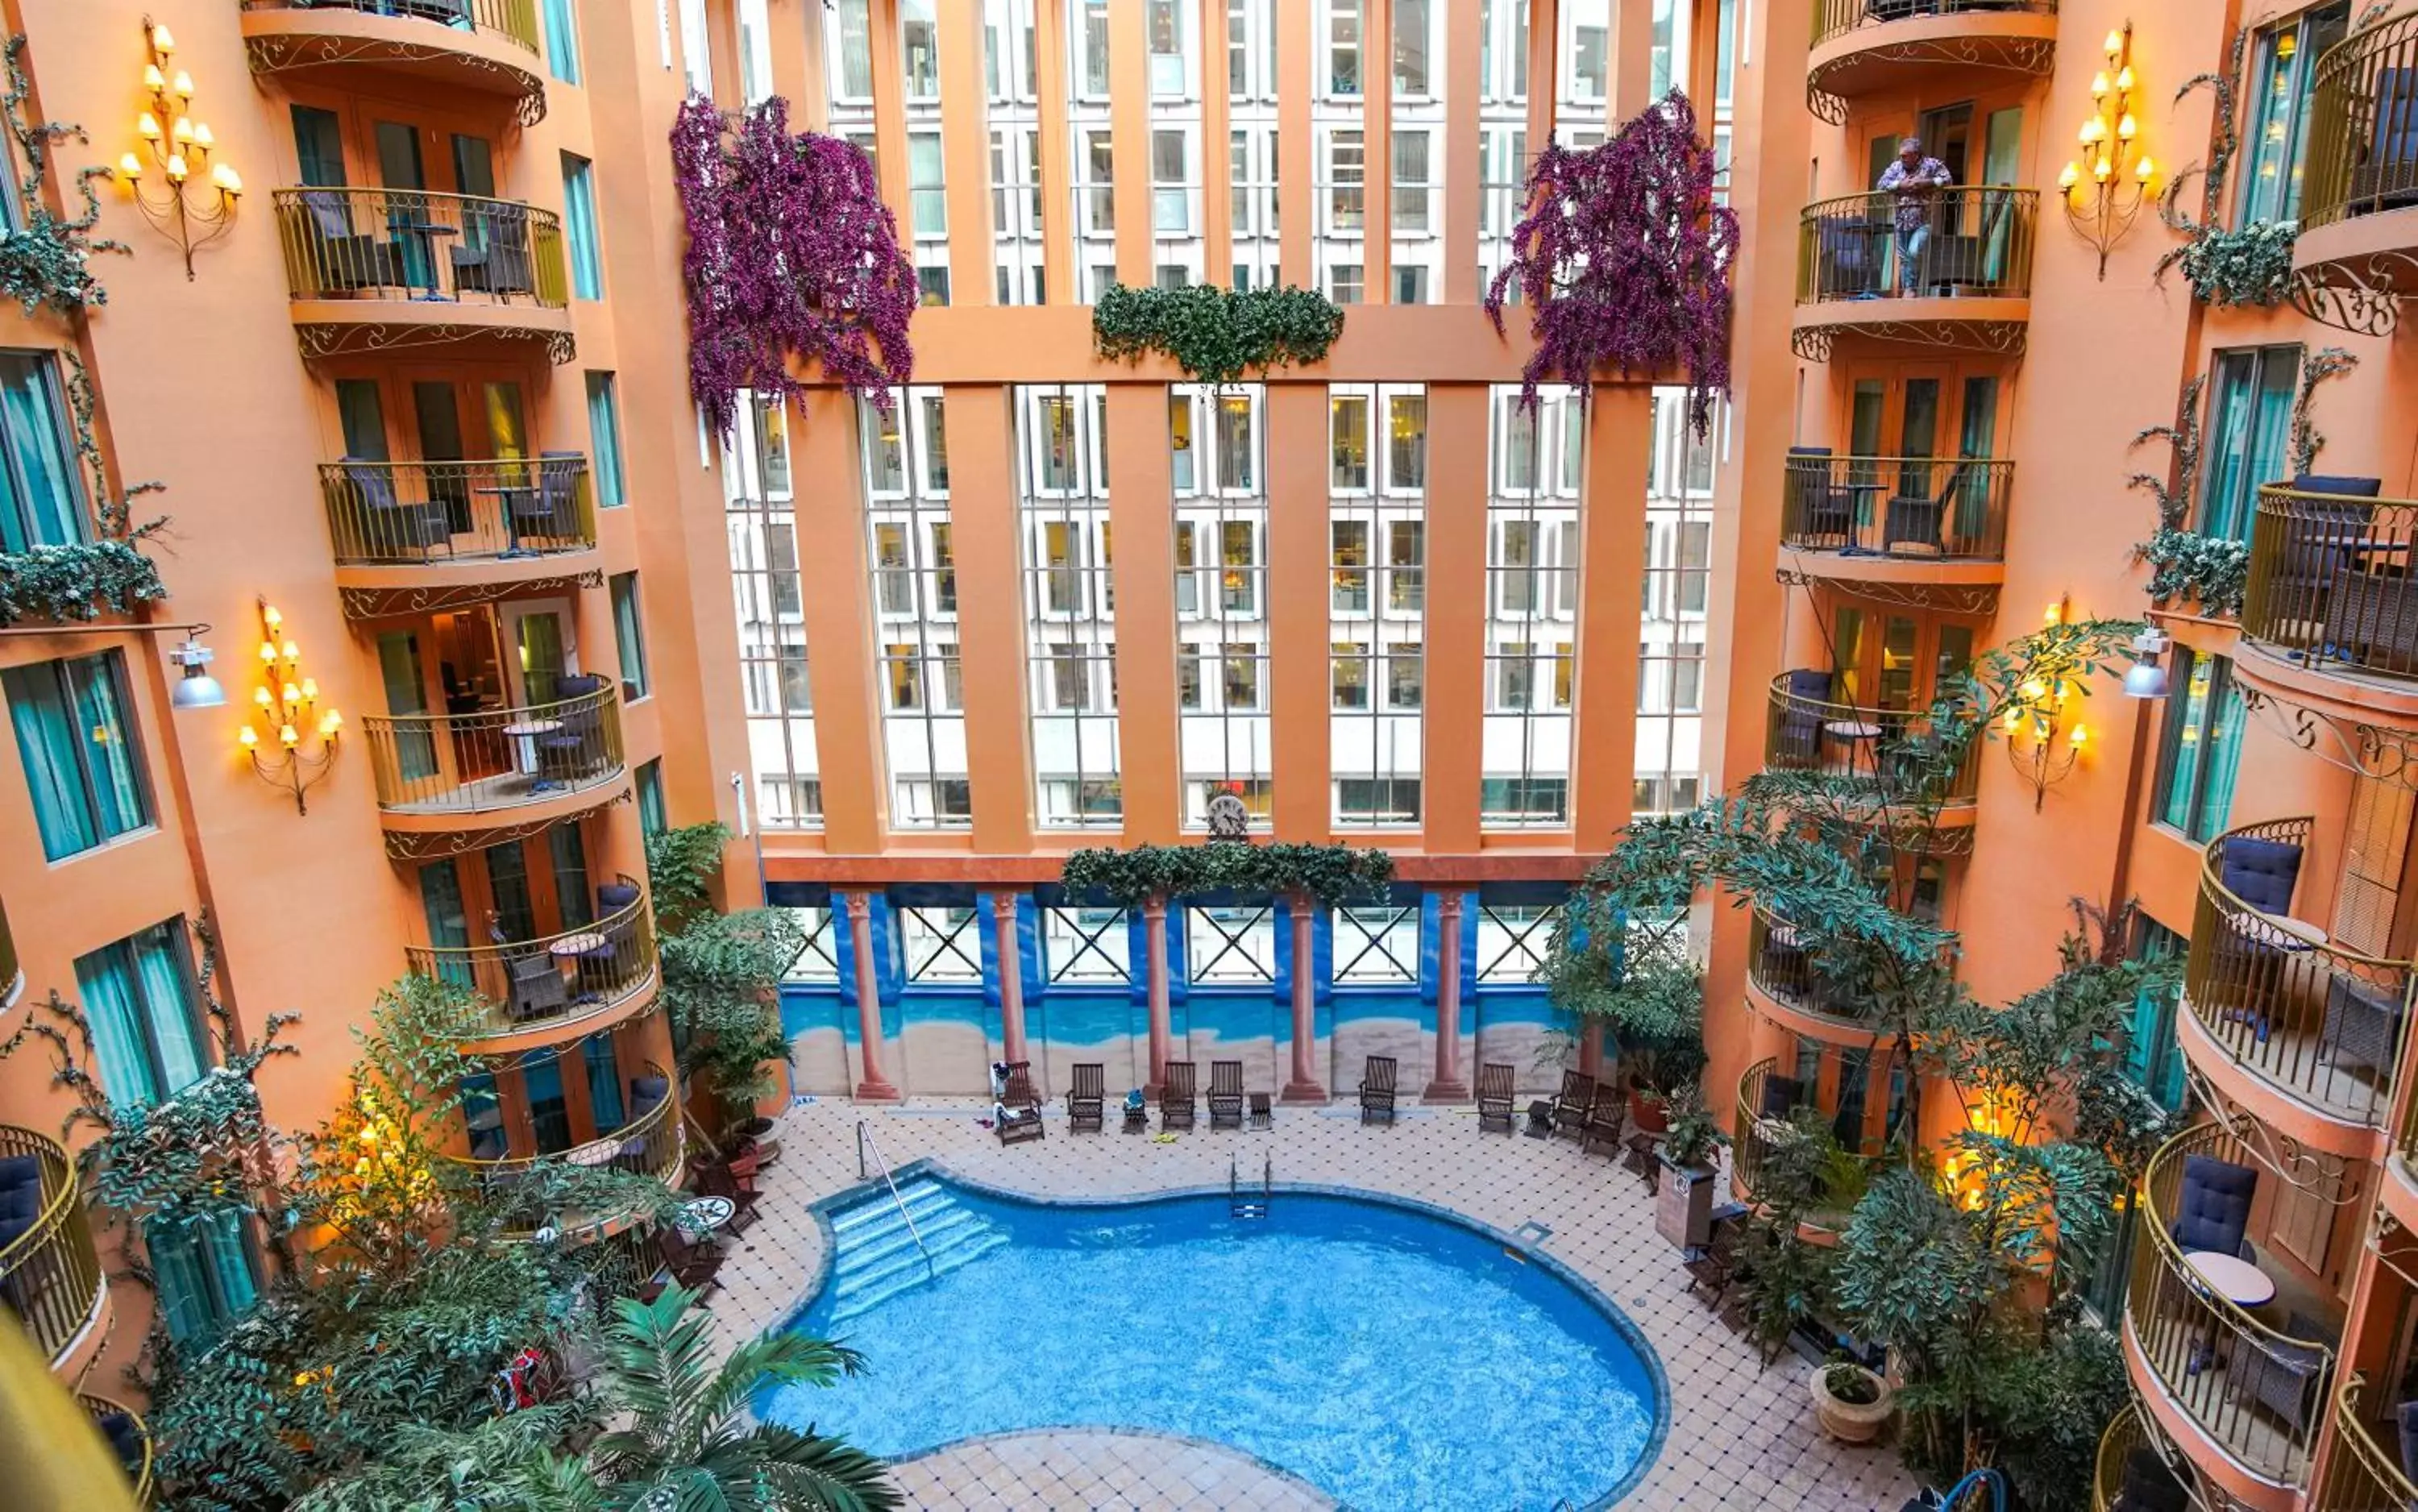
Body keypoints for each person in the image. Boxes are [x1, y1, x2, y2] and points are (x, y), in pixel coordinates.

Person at [1876, 136, 1952, 296]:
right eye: (1901, 156)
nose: (1901, 159)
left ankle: (1911, 289)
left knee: (1914, 252)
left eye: (1905, 156)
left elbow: (1948, 179)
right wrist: (1899, 185)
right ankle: (1909, 289)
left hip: (1922, 220)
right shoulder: (1896, 167)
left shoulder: (1931, 164)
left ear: (1916, 155)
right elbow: (1881, 184)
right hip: (1901, 220)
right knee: (1904, 258)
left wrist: (1926, 183)